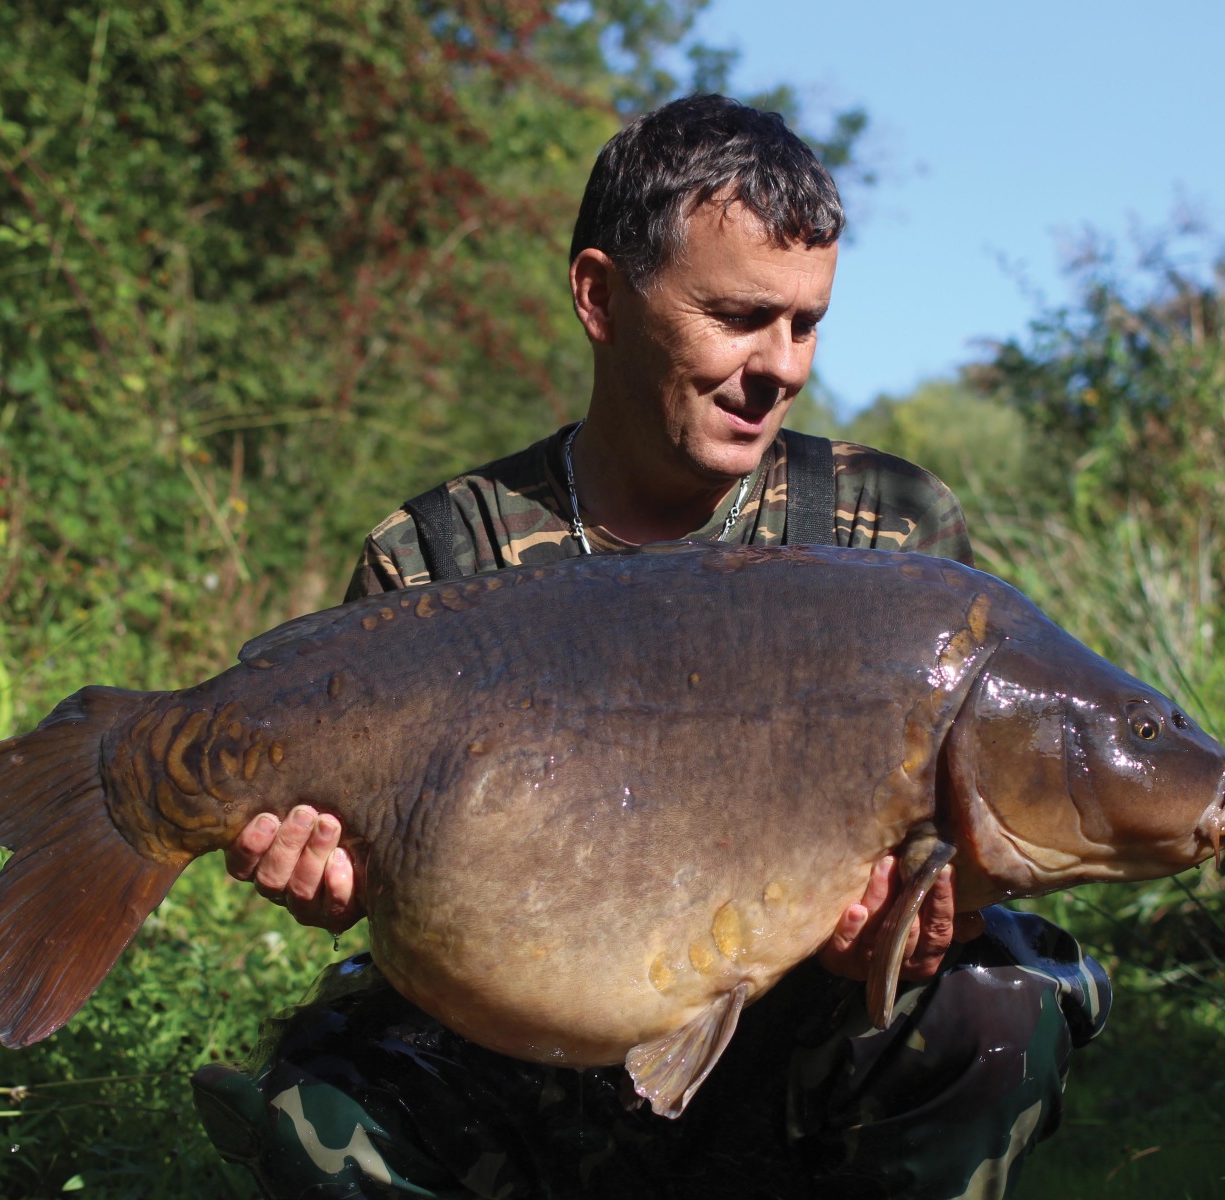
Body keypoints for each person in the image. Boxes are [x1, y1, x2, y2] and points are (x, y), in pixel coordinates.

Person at [192, 94, 1109, 1200]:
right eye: (736, 316)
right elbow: (382, 882)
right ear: (599, 296)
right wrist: (336, 877)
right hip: (525, 1054)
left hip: (792, 1039)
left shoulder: (884, 531)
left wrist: (912, 927)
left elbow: (950, 848)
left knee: (998, 999)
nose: (782, 366)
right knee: (321, 1101)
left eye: (805, 323)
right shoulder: (437, 555)